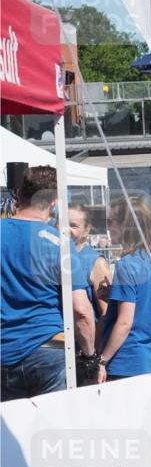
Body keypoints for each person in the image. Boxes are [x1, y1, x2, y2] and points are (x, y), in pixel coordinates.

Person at [1, 166, 96, 400]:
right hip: (48, 348)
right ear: (54, 202)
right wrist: (90, 356)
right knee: (54, 429)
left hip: (5, 349)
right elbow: (82, 311)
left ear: (20, 193)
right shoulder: (59, 244)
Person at [98, 197, 151, 382]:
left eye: (111, 221)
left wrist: (102, 361)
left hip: (123, 360)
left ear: (126, 226)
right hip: (143, 356)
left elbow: (125, 322)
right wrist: (115, 296)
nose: (108, 227)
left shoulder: (126, 265)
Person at [68, 203, 111, 324]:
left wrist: (94, 343)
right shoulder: (54, 257)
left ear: (86, 230)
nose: (66, 229)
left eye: (73, 226)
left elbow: (106, 312)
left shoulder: (97, 263)